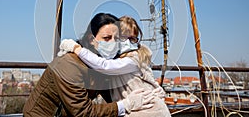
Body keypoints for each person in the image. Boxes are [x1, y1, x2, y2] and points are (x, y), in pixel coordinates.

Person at [23, 13, 154, 117]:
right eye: (107, 38)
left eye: (117, 38)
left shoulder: (99, 63)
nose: (114, 43)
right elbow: (82, 112)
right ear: (92, 40)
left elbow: (111, 93)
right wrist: (125, 105)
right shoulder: (69, 65)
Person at [59, 16, 171, 116]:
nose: (127, 42)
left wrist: (77, 49)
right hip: (135, 109)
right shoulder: (118, 59)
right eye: (122, 38)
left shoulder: (133, 59)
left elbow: (104, 66)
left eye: (132, 39)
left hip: (149, 109)